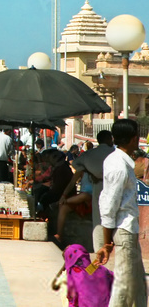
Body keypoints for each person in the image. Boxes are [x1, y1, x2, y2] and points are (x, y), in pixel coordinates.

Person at [96, 118, 146, 307]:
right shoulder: (118, 166)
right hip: (123, 229)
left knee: (138, 286)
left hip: (129, 230)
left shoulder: (121, 162)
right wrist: (106, 242)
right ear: (134, 139)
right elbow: (109, 204)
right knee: (124, 289)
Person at [67, 130, 114, 249]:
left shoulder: (90, 154)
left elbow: (75, 164)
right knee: (113, 216)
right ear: (109, 139)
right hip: (113, 185)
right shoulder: (114, 152)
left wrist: (89, 171)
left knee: (98, 219)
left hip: (98, 185)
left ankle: (98, 249)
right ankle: (111, 246)